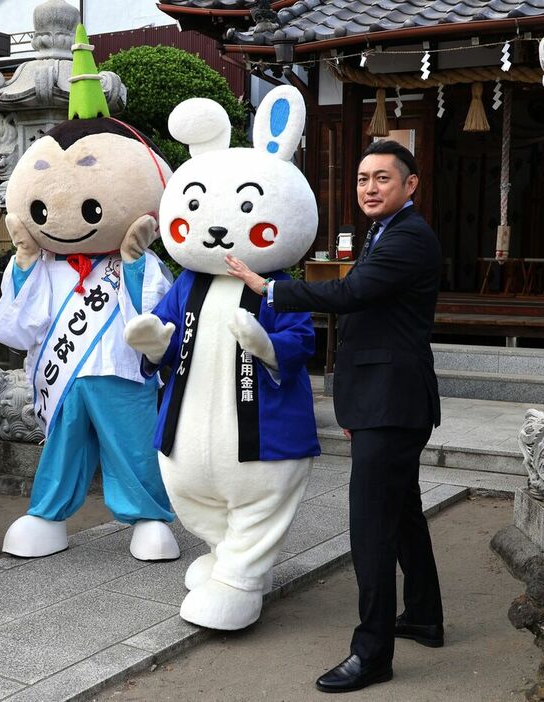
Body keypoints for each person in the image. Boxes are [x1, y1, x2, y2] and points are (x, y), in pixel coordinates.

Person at [225, 139, 444, 694]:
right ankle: (423, 614)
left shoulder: (410, 237)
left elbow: (352, 293)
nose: (370, 188)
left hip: (390, 401)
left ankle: (372, 654)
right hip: (383, 397)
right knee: (404, 513)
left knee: (371, 527)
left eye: (383, 179)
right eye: (363, 178)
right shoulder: (384, 231)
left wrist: (269, 288)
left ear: (410, 185)